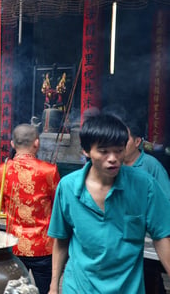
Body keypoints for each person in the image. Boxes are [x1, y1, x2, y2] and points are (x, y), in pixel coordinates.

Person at [47, 113, 170, 293]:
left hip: (127, 289)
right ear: (86, 151)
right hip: (79, 287)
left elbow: (162, 237)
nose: (113, 158)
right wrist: (53, 286)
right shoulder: (68, 187)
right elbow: (61, 239)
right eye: (104, 151)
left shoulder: (145, 186)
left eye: (119, 150)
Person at [0, 123, 60, 294]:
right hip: (43, 246)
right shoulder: (49, 171)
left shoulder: (1, 170)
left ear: (13, 144)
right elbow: (58, 205)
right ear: (36, 143)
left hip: (13, 244)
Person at [124, 119, 170, 294]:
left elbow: (166, 201)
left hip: (149, 244)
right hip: (124, 242)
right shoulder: (114, 166)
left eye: (125, 140)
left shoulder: (151, 166)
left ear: (137, 142)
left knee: (150, 282)